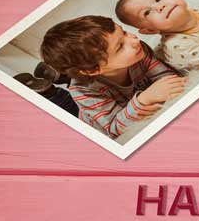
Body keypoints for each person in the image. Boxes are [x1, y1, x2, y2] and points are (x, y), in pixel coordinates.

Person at [40, 15, 188, 138]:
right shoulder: (82, 91)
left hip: (126, 104)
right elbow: (113, 129)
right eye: (120, 46)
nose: (134, 40)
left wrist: (168, 88)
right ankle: (51, 87)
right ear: (92, 69)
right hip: (100, 128)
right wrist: (143, 100)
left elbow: (168, 78)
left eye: (124, 32)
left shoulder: (138, 51)